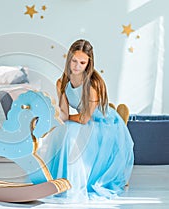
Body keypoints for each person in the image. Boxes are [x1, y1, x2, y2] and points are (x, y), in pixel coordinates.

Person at [47, 39, 134, 202]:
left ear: (88, 64)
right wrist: (55, 119)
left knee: (72, 130)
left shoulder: (93, 85)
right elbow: (65, 114)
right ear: (68, 59)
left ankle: (78, 180)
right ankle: (60, 179)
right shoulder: (62, 82)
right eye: (74, 60)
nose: (76, 66)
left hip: (103, 122)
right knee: (62, 129)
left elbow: (85, 118)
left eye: (82, 62)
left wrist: (68, 120)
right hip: (84, 119)